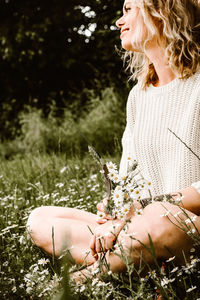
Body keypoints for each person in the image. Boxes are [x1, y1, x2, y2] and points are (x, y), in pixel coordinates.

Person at [27, 0, 200, 283]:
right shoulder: (138, 97)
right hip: (138, 227)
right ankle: (135, 259)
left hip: (181, 227)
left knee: (159, 217)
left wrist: (143, 211)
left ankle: (86, 277)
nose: (119, 21)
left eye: (129, 9)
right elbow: (129, 177)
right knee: (40, 220)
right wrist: (116, 211)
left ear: (163, 12)